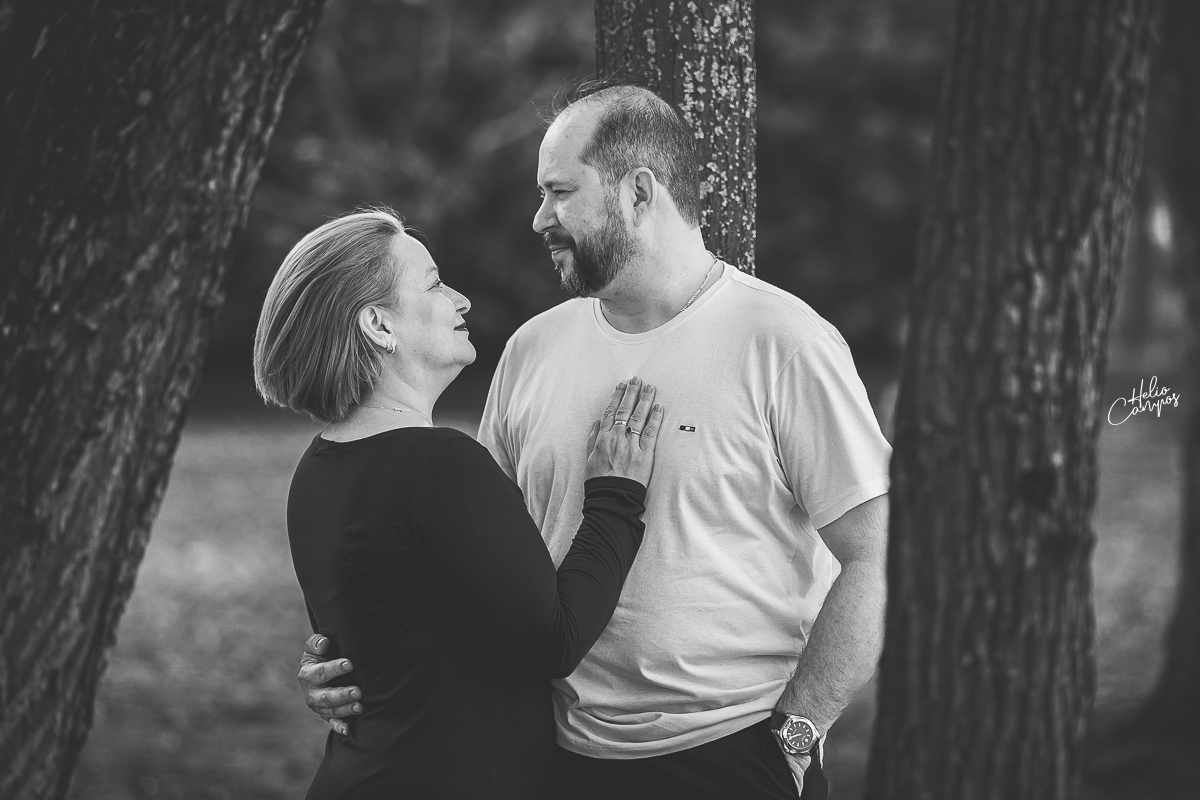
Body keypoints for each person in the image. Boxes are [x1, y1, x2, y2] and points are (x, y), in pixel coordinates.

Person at [300, 83, 892, 800]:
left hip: (731, 758)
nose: (539, 218)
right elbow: (476, 576)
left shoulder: (783, 342)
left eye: (560, 192)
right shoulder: (531, 350)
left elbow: (879, 553)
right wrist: (359, 659)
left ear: (638, 193)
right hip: (555, 759)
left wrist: (797, 737)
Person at [254, 207, 670, 799]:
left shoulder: (318, 468)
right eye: (433, 285)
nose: (461, 300)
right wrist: (616, 495)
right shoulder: (440, 466)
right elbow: (555, 641)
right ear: (378, 324)